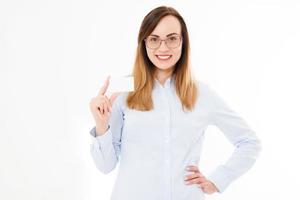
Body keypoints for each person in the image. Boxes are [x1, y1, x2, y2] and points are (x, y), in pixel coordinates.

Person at [89, 6, 262, 200]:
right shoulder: (123, 91)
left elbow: (249, 142)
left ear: (183, 42)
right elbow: (105, 166)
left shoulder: (202, 94)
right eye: (154, 39)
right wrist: (102, 125)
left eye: (172, 38)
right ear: (144, 43)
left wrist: (218, 180)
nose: (163, 48)